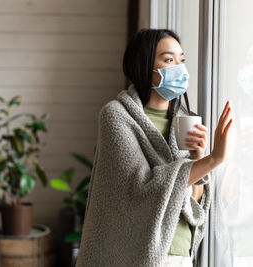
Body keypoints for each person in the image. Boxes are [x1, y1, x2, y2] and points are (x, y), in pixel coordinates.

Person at [76, 28, 233, 267]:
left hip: (180, 252)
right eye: (169, 60)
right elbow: (141, 186)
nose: (179, 68)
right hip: (137, 253)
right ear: (144, 65)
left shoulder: (185, 121)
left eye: (181, 60)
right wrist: (213, 160)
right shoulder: (117, 116)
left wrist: (198, 158)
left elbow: (191, 203)